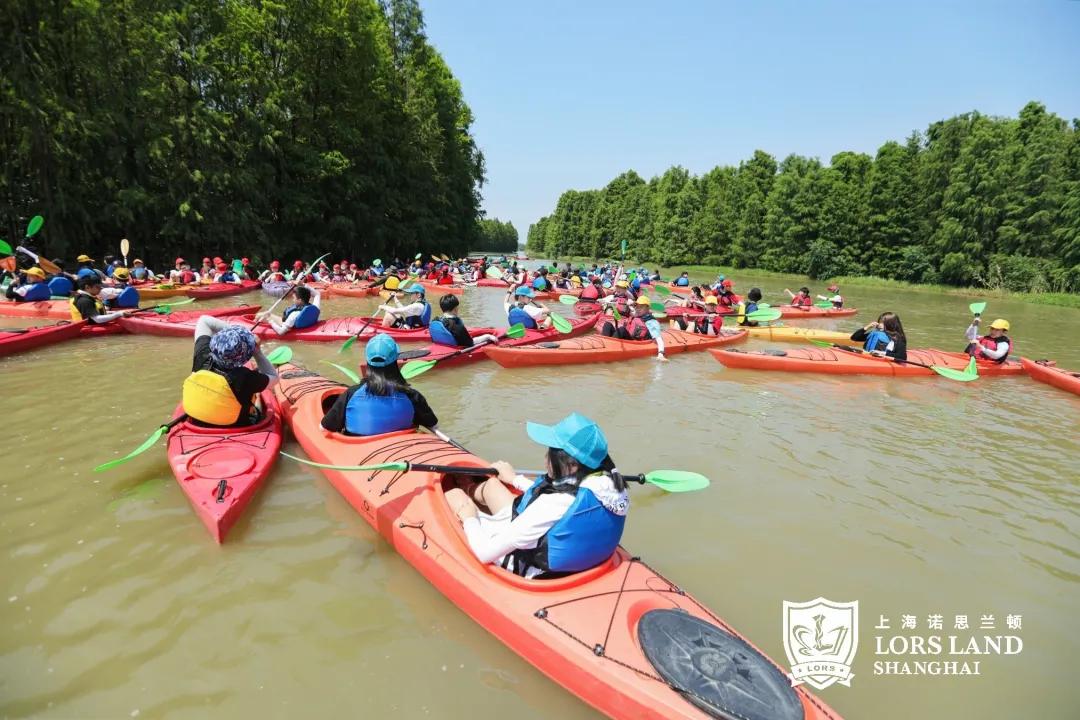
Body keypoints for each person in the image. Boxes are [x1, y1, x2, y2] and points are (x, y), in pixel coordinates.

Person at [445, 413, 629, 579]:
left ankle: (463, 491)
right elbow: (560, 500)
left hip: (530, 566)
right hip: (570, 553)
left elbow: (485, 553)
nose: (546, 459)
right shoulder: (609, 484)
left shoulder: (554, 504)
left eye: (551, 454)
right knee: (492, 485)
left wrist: (469, 517)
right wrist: (515, 479)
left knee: (454, 496)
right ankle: (469, 487)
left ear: (572, 465)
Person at [321, 334, 438, 436]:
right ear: (395, 360)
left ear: (368, 361)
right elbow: (433, 425)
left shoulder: (350, 394)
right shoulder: (413, 396)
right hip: (399, 449)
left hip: (359, 450)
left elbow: (324, 428)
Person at [182, 318, 277, 428]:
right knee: (257, 395)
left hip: (198, 423)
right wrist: (257, 352)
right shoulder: (246, 377)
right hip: (235, 426)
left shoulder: (202, 356)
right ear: (245, 355)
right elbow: (274, 378)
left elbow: (204, 320)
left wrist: (232, 331)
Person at [600, 296, 667, 360]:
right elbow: (629, 309)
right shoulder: (636, 315)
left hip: (636, 343)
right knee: (607, 324)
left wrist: (661, 354)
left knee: (622, 330)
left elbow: (658, 338)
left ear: (648, 308)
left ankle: (607, 348)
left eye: (641, 307)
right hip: (628, 338)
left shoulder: (651, 322)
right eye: (637, 306)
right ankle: (602, 344)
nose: (638, 309)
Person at [430, 295, 500, 347]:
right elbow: (471, 343)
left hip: (441, 345)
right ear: (455, 309)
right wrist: (488, 336)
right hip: (455, 349)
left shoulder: (436, 319)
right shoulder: (456, 325)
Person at [256, 285, 322, 335]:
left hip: (287, 325)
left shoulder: (294, 314)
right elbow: (317, 294)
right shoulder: (315, 307)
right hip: (305, 323)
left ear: (299, 300)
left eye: (294, 298)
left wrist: (269, 320)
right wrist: (303, 284)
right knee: (266, 315)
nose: (293, 300)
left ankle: (255, 327)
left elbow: (281, 332)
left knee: (259, 315)